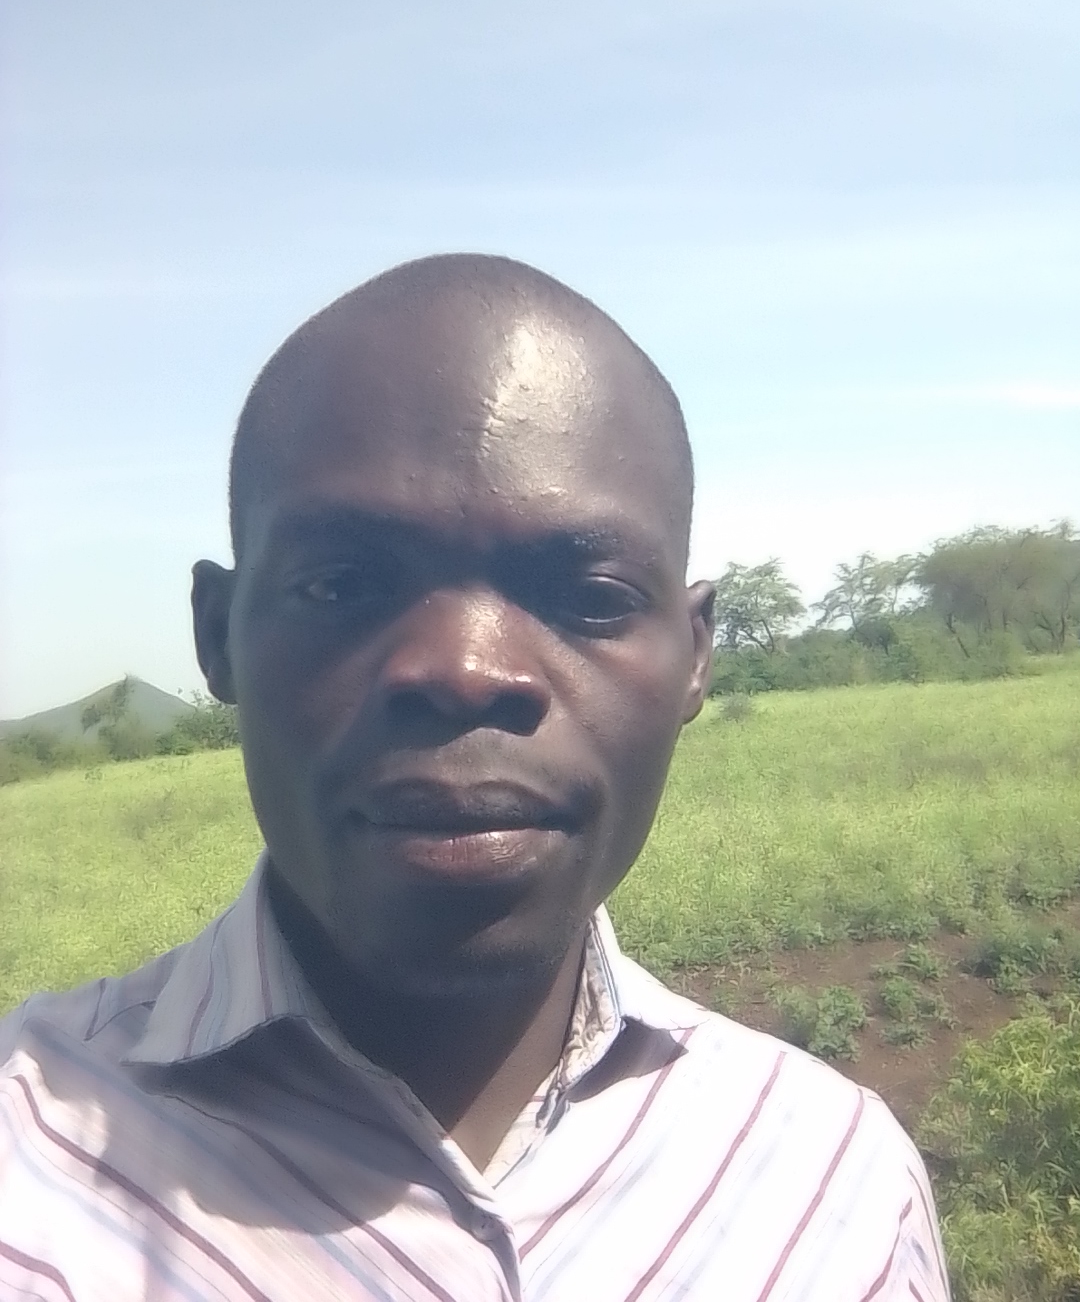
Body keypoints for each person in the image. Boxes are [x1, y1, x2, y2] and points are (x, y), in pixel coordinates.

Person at [0, 254, 950, 1300]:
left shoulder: (839, 1186)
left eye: (590, 595)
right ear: (218, 637)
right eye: (343, 585)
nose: (464, 668)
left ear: (694, 656)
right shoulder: (27, 1167)